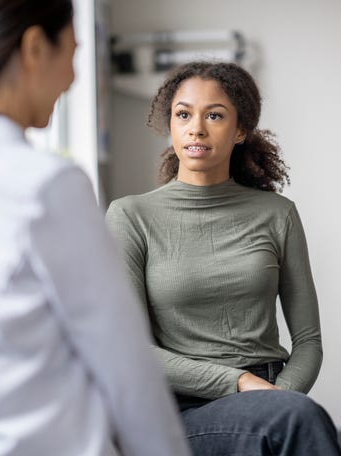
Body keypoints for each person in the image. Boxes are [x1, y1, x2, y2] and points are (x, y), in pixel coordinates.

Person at [0, 1, 191, 455]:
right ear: (33, 48)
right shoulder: (47, 185)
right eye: (71, 51)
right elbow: (128, 374)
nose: (72, 77)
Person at [106, 61, 341, 455]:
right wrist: (241, 385)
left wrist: (276, 397)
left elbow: (308, 341)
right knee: (300, 422)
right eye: (183, 114)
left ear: (241, 129)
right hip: (182, 408)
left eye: (214, 115)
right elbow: (129, 349)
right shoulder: (130, 217)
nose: (196, 128)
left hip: (272, 396)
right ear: (171, 124)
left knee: (297, 421)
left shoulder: (277, 213)